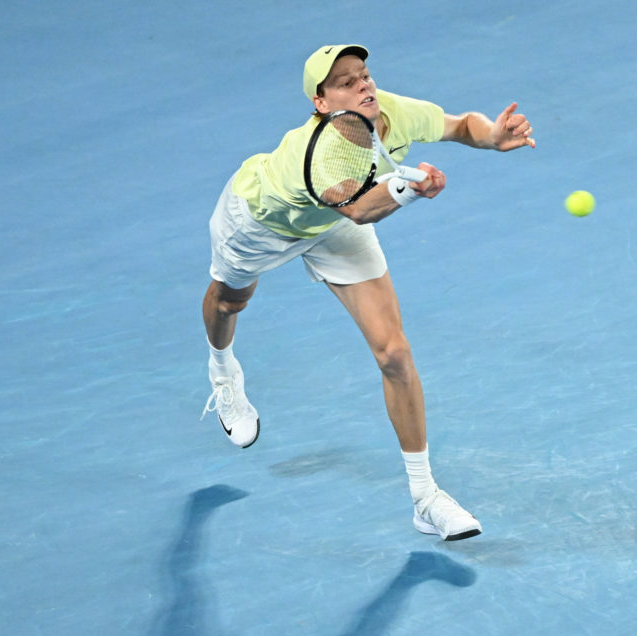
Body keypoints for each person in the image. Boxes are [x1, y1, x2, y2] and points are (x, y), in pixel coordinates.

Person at [200, 44, 535, 541]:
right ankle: (223, 371)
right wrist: (407, 187)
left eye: (365, 74)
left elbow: (460, 125)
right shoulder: (317, 152)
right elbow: (360, 209)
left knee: (394, 353)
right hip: (262, 221)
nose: (364, 85)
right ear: (321, 102)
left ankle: (425, 499)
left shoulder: (392, 113)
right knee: (230, 301)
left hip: (334, 225)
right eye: (346, 82)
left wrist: (490, 135)